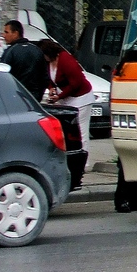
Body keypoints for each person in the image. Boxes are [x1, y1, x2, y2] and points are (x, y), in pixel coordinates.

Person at [38, 39, 95, 190]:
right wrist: (52, 89)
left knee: (81, 132)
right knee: (67, 133)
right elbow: (51, 78)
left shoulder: (65, 59)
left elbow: (76, 83)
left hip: (81, 98)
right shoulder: (50, 62)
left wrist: (59, 96)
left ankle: (83, 164)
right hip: (66, 98)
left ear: (48, 52)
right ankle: (71, 162)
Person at [0, 20, 51, 97]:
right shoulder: (36, 50)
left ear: (15, 33)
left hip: (15, 95)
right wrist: (38, 96)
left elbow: (2, 76)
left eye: (6, 32)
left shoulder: (10, 52)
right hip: (34, 97)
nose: (4, 36)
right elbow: (44, 77)